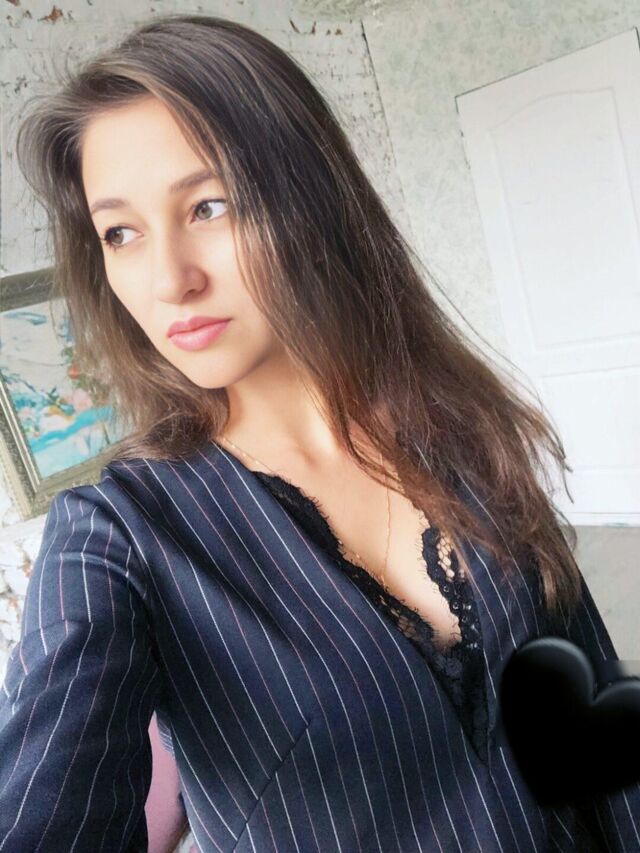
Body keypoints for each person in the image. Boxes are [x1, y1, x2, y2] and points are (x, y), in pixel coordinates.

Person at [0, 12, 638, 853]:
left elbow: (595, 715)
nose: (168, 280)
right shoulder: (119, 539)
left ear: (312, 199)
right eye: (121, 232)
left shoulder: (461, 426)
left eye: (209, 206)